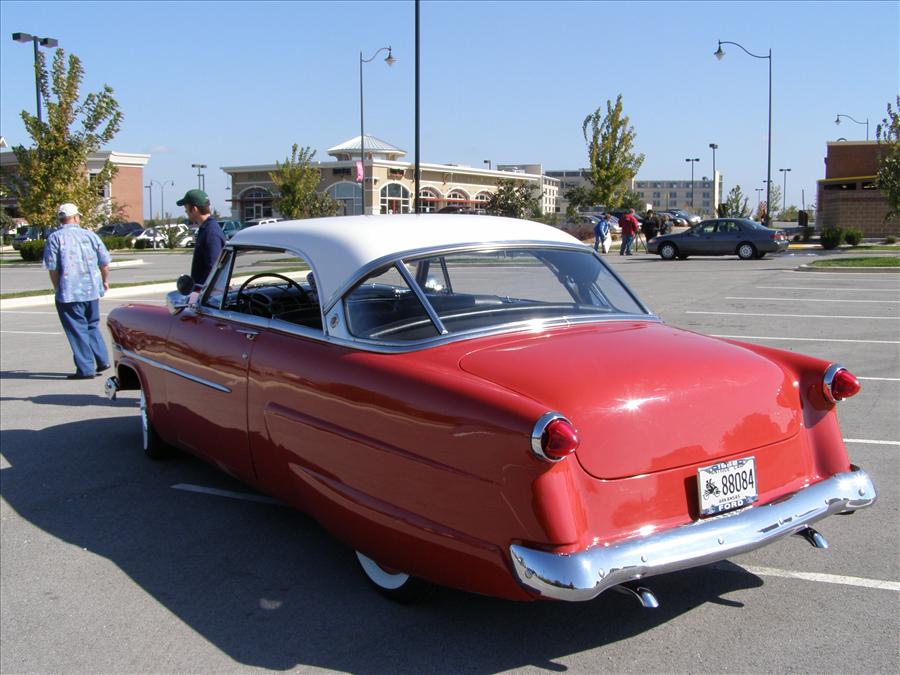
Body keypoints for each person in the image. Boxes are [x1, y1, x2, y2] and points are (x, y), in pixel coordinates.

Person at [43, 203, 111, 379]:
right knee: (92, 324)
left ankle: (86, 368)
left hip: (69, 292)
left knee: (77, 329)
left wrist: (57, 287)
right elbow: (104, 262)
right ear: (76, 217)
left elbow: (53, 268)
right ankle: (102, 359)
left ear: (61, 219)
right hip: (91, 290)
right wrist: (105, 281)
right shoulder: (90, 235)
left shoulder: (55, 238)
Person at [177, 189, 224, 289]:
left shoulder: (211, 232)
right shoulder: (205, 229)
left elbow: (213, 270)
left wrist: (199, 291)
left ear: (194, 209)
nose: (186, 212)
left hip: (209, 294)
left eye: (186, 209)